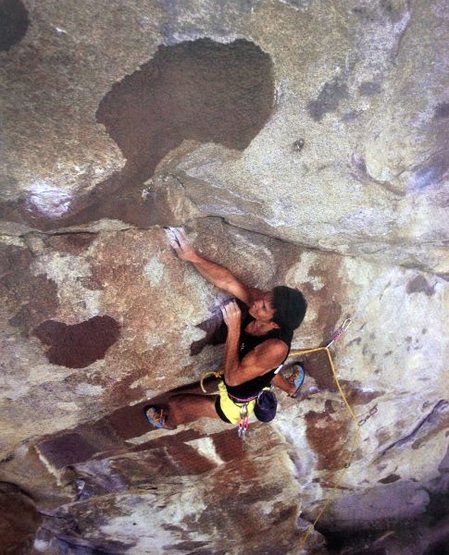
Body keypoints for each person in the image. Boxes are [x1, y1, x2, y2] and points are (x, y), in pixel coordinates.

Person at [144, 227, 308, 430]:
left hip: (236, 399)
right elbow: (228, 281)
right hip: (255, 368)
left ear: (274, 323)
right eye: (264, 296)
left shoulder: (275, 348)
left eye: (263, 307)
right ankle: (291, 388)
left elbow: (233, 378)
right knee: (267, 371)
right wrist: (192, 256)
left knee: (176, 403)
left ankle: (167, 422)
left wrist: (235, 327)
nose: (255, 302)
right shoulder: (264, 308)